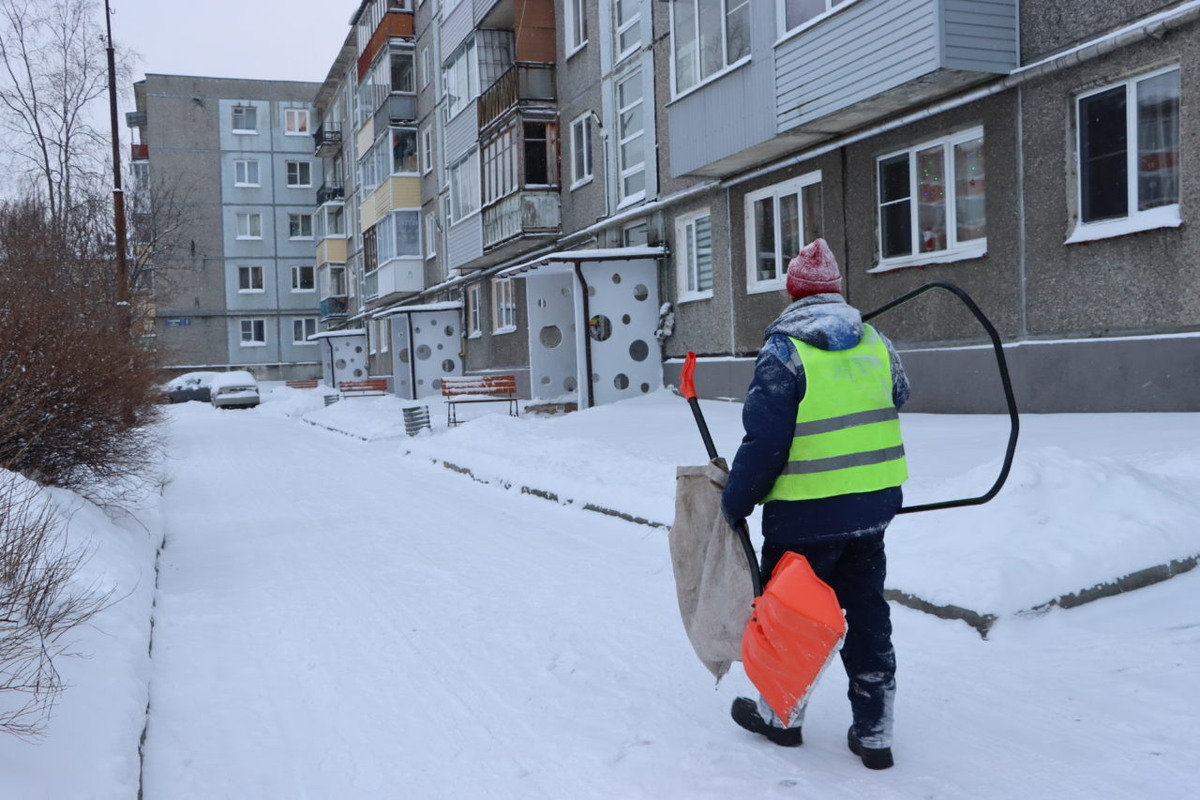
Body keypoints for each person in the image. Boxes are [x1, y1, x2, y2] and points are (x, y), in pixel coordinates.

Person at [721, 238, 909, 770]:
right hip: (870, 513)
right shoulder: (876, 342)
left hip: (803, 519)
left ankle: (782, 721)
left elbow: (764, 445)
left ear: (792, 292)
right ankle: (875, 734)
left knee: (790, 620)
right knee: (867, 616)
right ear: (836, 291)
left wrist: (735, 503)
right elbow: (900, 394)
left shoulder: (783, 353)